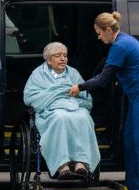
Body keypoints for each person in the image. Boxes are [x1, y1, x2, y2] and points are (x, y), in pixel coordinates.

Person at [70, 12, 139, 190]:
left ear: (108, 30)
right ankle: (133, 185)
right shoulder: (123, 41)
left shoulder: (120, 46)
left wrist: (79, 87)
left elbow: (104, 79)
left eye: (99, 33)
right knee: (129, 140)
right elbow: (103, 68)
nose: (98, 37)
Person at [23, 42, 100, 181]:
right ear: (49, 60)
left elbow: (86, 96)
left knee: (83, 117)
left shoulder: (73, 73)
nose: (63, 59)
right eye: (58, 56)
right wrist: (57, 94)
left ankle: (81, 163)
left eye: (65, 55)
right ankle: (62, 165)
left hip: (75, 106)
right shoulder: (38, 74)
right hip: (51, 110)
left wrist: (74, 98)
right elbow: (30, 97)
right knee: (60, 117)